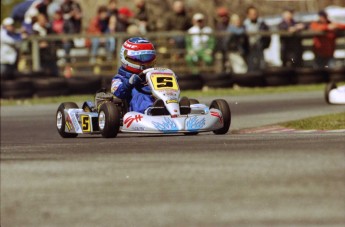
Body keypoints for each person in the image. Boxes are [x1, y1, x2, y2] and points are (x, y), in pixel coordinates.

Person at [110, 37, 157, 114]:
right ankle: (148, 110)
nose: (145, 63)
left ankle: (175, 108)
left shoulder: (153, 74)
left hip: (157, 100)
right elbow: (117, 92)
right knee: (139, 92)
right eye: (140, 59)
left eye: (148, 58)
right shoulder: (120, 77)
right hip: (134, 111)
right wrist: (129, 83)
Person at [243, 6, 270, 72]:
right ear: (248, 15)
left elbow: (267, 36)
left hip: (259, 48)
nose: (253, 15)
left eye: (255, 14)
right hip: (249, 49)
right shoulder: (244, 25)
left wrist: (264, 45)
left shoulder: (262, 24)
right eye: (251, 14)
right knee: (251, 66)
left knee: (261, 65)